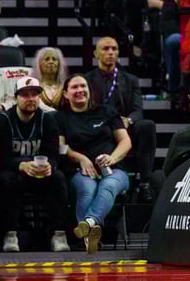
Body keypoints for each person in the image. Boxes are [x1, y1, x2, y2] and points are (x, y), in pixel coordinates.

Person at [57, 74, 132, 254]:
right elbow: (60, 147)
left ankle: (88, 225)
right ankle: (90, 235)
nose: (80, 90)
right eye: (74, 87)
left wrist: (113, 158)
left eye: (83, 86)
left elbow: (125, 142)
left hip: (114, 169)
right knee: (87, 189)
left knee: (109, 185)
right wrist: (80, 158)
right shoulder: (59, 117)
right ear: (66, 94)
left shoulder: (106, 112)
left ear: (89, 91)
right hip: (80, 170)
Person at [0, 77, 70, 253]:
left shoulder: (48, 119)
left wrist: (50, 165)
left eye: (35, 95)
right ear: (16, 98)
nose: (31, 99)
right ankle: (10, 234)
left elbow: (53, 154)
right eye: (25, 95)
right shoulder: (3, 120)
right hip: (15, 172)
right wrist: (21, 165)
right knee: (6, 180)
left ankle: (58, 234)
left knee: (58, 178)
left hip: (39, 172)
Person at [84, 37, 158, 203]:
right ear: (96, 53)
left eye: (114, 49)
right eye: (105, 49)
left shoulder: (130, 80)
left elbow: (138, 110)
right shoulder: (87, 79)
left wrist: (129, 121)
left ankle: (145, 182)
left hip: (124, 126)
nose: (110, 52)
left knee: (147, 125)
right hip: (99, 125)